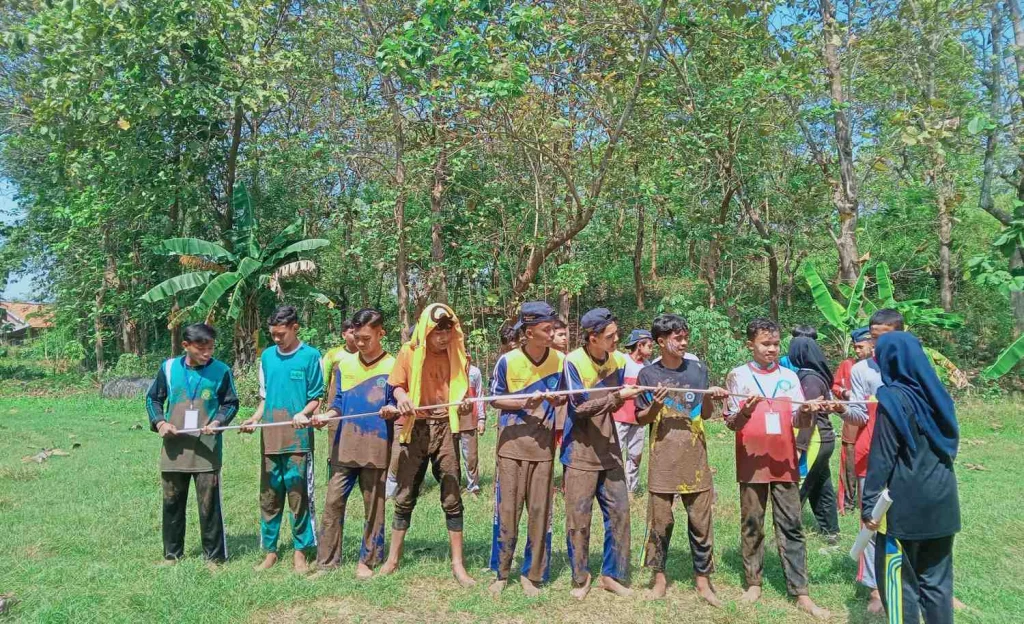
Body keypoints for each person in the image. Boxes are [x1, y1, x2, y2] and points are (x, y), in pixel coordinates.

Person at [724, 318, 829, 619]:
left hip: (784, 462)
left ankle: (801, 591)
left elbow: (799, 421)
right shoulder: (738, 376)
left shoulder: (790, 377)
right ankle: (753, 582)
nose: (771, 349)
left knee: (791, 525)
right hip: (752, 461)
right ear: (750, 345)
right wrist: (745, 410)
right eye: (764, 344)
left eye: (774, 344)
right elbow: (731, 423)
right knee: (752, 522)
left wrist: (807, 412)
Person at [862, 331, 960, 624]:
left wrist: (869, 507)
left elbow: (882, 458)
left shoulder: (893, 399)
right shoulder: (938, 396)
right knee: (937, 585)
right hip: (943, 501)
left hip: (905, 507)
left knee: (899, 585)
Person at [634, 314, 729, 605]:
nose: (684, 341)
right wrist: (656, 405)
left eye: (686, 336)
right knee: (660, 522)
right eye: (678, 337)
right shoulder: (647, 376)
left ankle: (703, 581)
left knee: (701, 523)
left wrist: (714, 396)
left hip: (695, 458)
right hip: (663, 458)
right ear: (661, 342)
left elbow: (707, 413)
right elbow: (640, 419)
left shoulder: (698, 370)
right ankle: (659, 579)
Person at [380, 303, 476, 587]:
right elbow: (396, 385)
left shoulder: (457, 354)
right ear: (425, 330)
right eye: (438, 331)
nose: (444, 336)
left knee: (451, 494)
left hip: (446, 426)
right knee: (405, 494)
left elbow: (462, 391)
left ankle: (458, 564)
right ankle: (393, 559)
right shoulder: (408, 352)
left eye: (448, 330)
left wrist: (464, 401)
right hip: (415, 426)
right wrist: (401, 397)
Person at [561, 308, 641, 600]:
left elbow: (640, 384)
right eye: (610, 336)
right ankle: (580, 577)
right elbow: (579, 409)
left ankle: (613, 575)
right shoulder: (573, 362)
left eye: (617, 333)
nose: (617, 340)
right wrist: (616, 396)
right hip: (580, 451)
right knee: (578, 518)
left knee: (620, 513)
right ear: (592, 338)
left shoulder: (620, 360)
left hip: (610, 449)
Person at [488, 301, 565, 597]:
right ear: (529, 332)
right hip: (510, 447)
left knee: (539, 511)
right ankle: (501, 572)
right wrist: (524, 402)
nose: (552, 334)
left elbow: (565, 397)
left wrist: (557, 401)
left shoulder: (561, 361)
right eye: (547, 329)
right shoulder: (507, 361)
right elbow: (494, 399)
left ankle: (533, 574)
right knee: (506, 511)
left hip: (543, 449)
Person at [312, 309, 396, 578]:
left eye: (366, 338)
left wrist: (392, 408)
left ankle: (367, 561)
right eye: (357, 338)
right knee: (333, 503)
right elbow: (337, 404)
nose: (360, 343)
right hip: (344, 445)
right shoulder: (344, 365)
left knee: (374, 505)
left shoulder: (393, 366)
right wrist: (326, 416)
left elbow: (398, 402)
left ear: (381, 333)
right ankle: (326, 563)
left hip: (377, 446)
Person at [239, 306, 324, 573]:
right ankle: (270, 551)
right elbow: (265, 397)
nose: (276, 339)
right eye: (273, 334)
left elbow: (316, 397)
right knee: (269, 496)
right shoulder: (266, 357)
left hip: (299, 440)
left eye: (281, 334)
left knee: (298, 495)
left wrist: (303, 413)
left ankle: (301, 551)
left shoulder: (310, 357)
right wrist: (254, 418)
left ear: (295, 328)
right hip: (271, 439)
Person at [146, 323, 239, 564]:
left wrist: (218, 422)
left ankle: (215, 559)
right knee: (172, 504)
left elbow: (231, 403)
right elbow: (153, 399)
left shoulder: (221, 370)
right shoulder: (167, 368)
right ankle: (172, 556)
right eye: (201, 348)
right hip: (174, 450)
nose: (207, 353)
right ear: (185, 346)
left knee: (209, 507)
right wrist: (160, 423)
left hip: (206, 451)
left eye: (210, 347)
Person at [845, 309, 902, 612]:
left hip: (907, 458)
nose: (879, 345)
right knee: (872, 519)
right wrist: (841, 409)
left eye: (886, 338)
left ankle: (920, 580)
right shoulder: (861, 371)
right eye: (875, 338)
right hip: (872, 454)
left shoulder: (914, 367)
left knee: (915, 519)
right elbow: (858, 413)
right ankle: (876, 587)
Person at [788, 336, 844, 542]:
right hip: (824, 439)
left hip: (814, 440)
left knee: (797, 489)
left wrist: (799, 447)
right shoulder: (813, 375)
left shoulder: (809, 379)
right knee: (821, 487)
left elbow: (809, 416)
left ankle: (788, 536)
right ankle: (831, 532)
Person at [835, 327, 873, 515]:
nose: (857, 351)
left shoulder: (881, 367)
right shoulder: (847, 365)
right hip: (852, 419)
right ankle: (847, 503)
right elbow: (835, 386)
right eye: (855, 348)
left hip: (874, 423)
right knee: (849, 461)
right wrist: (844, 393)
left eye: (860, 347)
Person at [613, 329, 653, 497]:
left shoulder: (648, 367)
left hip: (638, 418)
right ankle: (613, 489)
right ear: (639, 345)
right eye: (649, 346)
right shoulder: (621, 361)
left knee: (635, 454)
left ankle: (632, 489)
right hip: (619, 416)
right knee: (616, 453)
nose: (651, 350)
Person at [321, 319, 358, 471]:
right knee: (335, 440)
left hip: (359, 407)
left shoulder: (367, 355)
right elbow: (323, 383)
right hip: (336, 408)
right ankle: (335, 472)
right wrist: (319, 408)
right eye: (351, 332)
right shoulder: (332, 355)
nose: (356, 336)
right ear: (344, 335)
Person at [459, 359, 486, 496]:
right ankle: (453, 486)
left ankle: (473, 486)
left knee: (471, 457)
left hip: (469, 420)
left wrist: (481, 418)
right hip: (449, 420)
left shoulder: (474, 372)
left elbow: (480, 396)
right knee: (450, 458)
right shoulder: (447, 369)